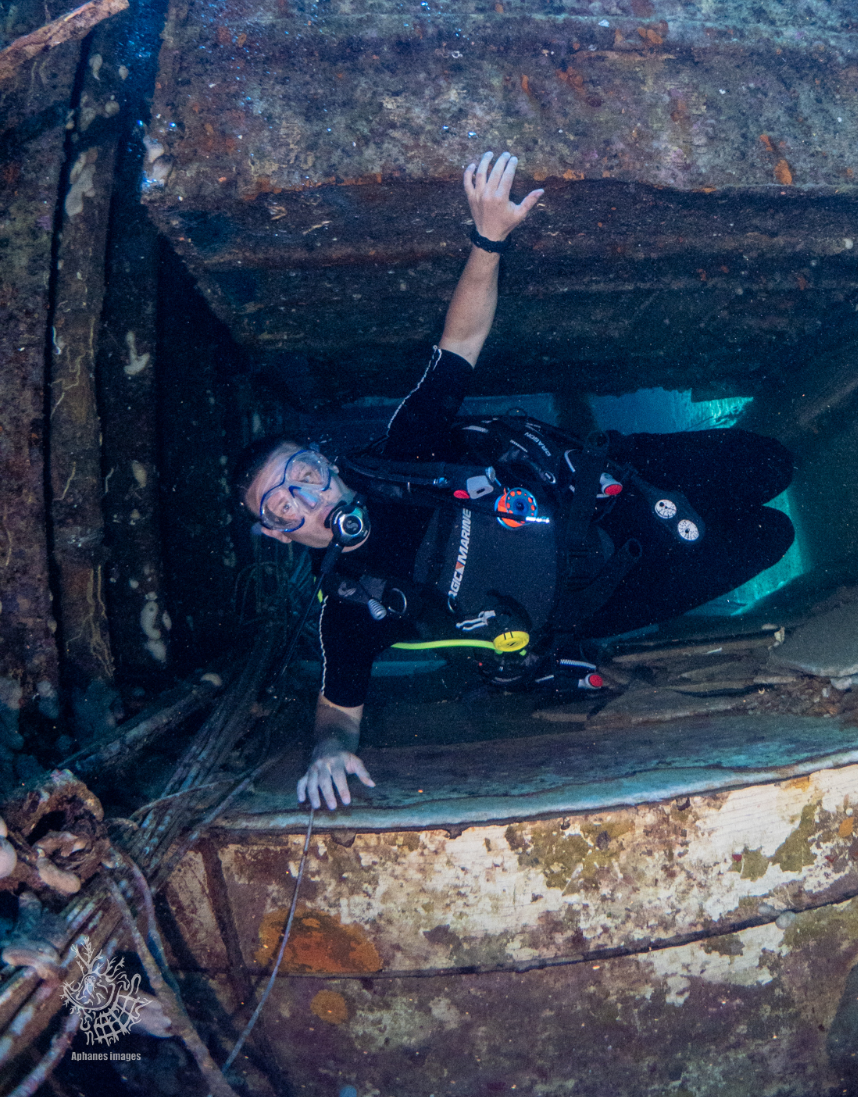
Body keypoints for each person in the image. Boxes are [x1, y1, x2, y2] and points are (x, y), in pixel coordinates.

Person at [238, 150, 794, 811]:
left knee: (771, 463)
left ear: (327, 461)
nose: (306, 499)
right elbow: (339, 710)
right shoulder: (353, 610)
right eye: (282, 503)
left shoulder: (406, 454)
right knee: (772, 537)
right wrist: (329, 753)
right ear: (275, 532)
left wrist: (488, 236)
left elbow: (460, 342)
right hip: (605, 594)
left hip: (611, 485)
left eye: (302, 474)